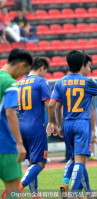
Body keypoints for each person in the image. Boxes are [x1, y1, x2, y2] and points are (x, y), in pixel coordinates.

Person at [46, 50, 97, 198]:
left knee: (74, 158)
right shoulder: (88, 81)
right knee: (80, 160)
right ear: (83, 64)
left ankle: (84, 191)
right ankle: (74, 194)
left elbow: (52, 106)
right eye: (88, 65)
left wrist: (55, 123)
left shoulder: (60, 82)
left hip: (67, 124)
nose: (89, 69)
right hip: (81, 123)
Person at [0, 48, 32, 196]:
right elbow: (10, 112)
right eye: (25, 70)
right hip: (5, 144)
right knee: (12, 192)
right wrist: (19, 143)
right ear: (20, 65)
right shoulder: (10, 83)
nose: (23, 75)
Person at [18, 57, 50, 198]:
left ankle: (35, 194)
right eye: (46, 71)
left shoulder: (20, 83)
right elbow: (48, 104)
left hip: (20, 125)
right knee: (41, 163)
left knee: (31, 161)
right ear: (42, 67)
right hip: (35, 126)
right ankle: (19, 186)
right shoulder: (41, 81)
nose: (45, 74)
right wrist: (53, 122)